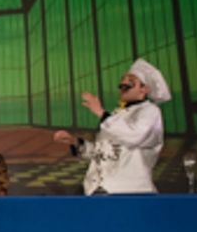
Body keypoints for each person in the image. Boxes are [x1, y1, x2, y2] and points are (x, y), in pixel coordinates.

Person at [54, 58, 170, 195]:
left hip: (130, 193)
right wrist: (76, 142)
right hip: (99, 191)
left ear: (144, 89)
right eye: (123, 80)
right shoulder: (116, 116)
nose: (124, 83)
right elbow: (104, 153)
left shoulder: (150, 111)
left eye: (131, 80)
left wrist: (101, 113)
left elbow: (135, 136)